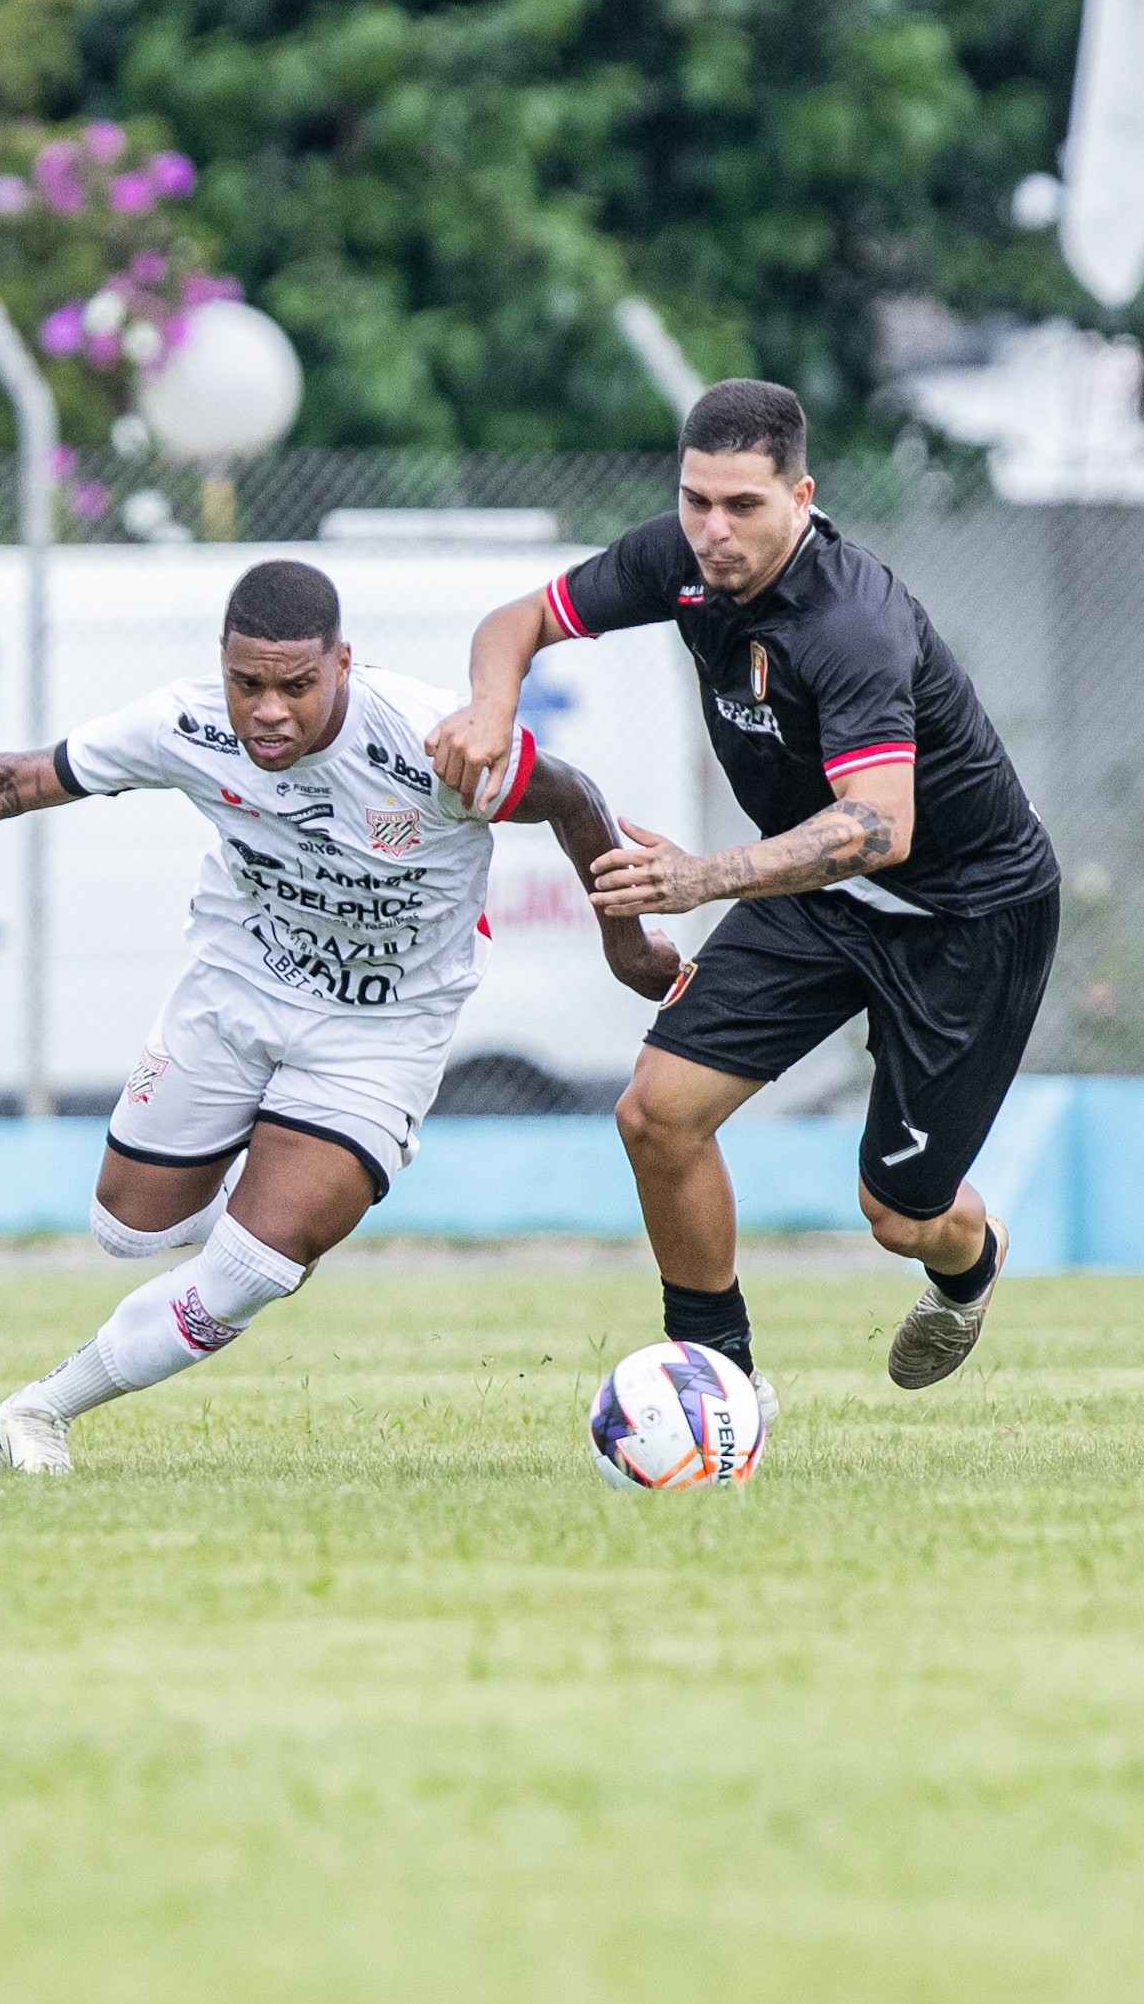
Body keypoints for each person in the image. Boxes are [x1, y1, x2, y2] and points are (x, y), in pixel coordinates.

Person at [0, 559, 678, 1472]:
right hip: (232, 993)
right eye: (247, 680)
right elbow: (17, 776)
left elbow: (573, 797)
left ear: (341, 662)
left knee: (253, 1264)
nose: (267, 709)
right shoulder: (185, 723)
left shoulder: (427, 740)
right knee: (127, 1231)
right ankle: (275, 1195)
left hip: (380, 1030)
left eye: (295, 684)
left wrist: (624, 943)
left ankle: (40, 1407)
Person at [428, 380, 1061, 1401]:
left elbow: (876, 824)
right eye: (695, 500)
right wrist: (492, 707)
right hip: (817, 890)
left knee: (898, 1213)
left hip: (964, 917)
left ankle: (969, 1261)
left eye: (743, 506)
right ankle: (715, 1371)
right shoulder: (675, 562)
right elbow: (513, 622)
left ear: (801, 494)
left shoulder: (849, 622)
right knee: (656, 1114)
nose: (711, 531)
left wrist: (699, 874)